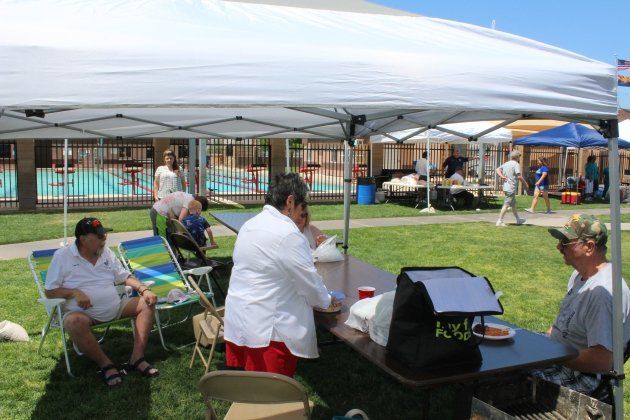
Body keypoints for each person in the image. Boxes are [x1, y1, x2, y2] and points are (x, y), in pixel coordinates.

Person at [223, 173, 332, 377]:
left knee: (251, 385)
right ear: (290, 202)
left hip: (241, 317)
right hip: (269, 330)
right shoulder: (288, 233)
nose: (302, 214)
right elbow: (310, 284)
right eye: (301, 207)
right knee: (272, 391)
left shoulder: (250, 225)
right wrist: (327, 300)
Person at [44, 218, 159, 386]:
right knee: (72, 322)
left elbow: (123, 276)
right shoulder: (63, 256)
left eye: (104, 234)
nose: (104, 238)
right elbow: (50, 291)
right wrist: (74, 292)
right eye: (99, 236)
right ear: (83, 239)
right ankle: (106, 365)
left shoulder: (105, 252)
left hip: (116, 306)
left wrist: (143, 289)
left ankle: (137, 357)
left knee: (147, 303)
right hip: (84, 314)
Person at [532, 214, 630, 395]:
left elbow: (601, 360)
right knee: (512, 345)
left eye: (565, 242)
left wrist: (550, 354)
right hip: (559, 354)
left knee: (508, 375)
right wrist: (543, 343)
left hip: (583, 375)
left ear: (589, 247)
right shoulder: (580, 275)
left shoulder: (603, 293)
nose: (559, 247)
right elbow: (563, 323)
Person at [495, 150, 528, 227]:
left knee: (513, 205)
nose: (519, 158)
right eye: (519, 157)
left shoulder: (507, 163)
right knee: (506, 205)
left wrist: (502, 176)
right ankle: (499, 221)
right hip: (511, 187)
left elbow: (497, 169)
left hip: (506, 187)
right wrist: (525, 183)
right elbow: (519, 176)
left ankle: (518, 219)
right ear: (517, 157)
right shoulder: (516, 164)